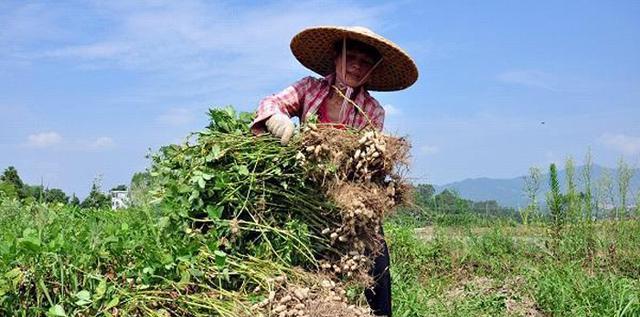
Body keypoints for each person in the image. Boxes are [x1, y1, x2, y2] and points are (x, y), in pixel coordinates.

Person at [251, 26, 418, 317]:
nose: (356, 65)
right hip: (303, 191)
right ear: (335, 57)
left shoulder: (372, 110)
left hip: (348, 197)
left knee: (377, 258)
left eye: (365, 62)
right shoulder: (309, 88)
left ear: (373, 69)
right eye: (349, 56)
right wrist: (277, 120)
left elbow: (366, 163)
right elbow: (271, 102)